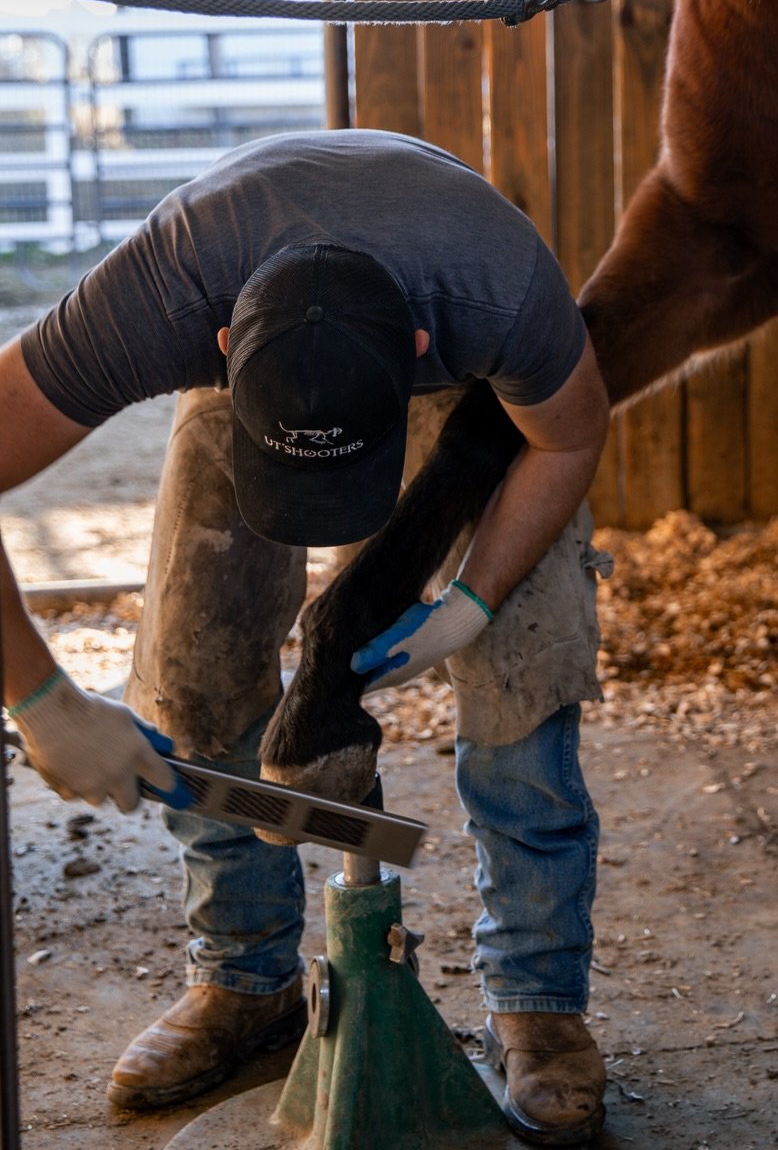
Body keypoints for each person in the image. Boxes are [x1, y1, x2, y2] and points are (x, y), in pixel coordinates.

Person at [0, 129, 612, 1146]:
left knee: (527, 667)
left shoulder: (499, 290)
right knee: (195, 661)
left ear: (416, 349)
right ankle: (246, 979)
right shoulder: (161, 291)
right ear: (225, 351)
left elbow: (571, 434)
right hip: (255, 325)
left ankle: (539, 1006)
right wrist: (40, 700)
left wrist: (471, 601)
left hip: (469, 385)